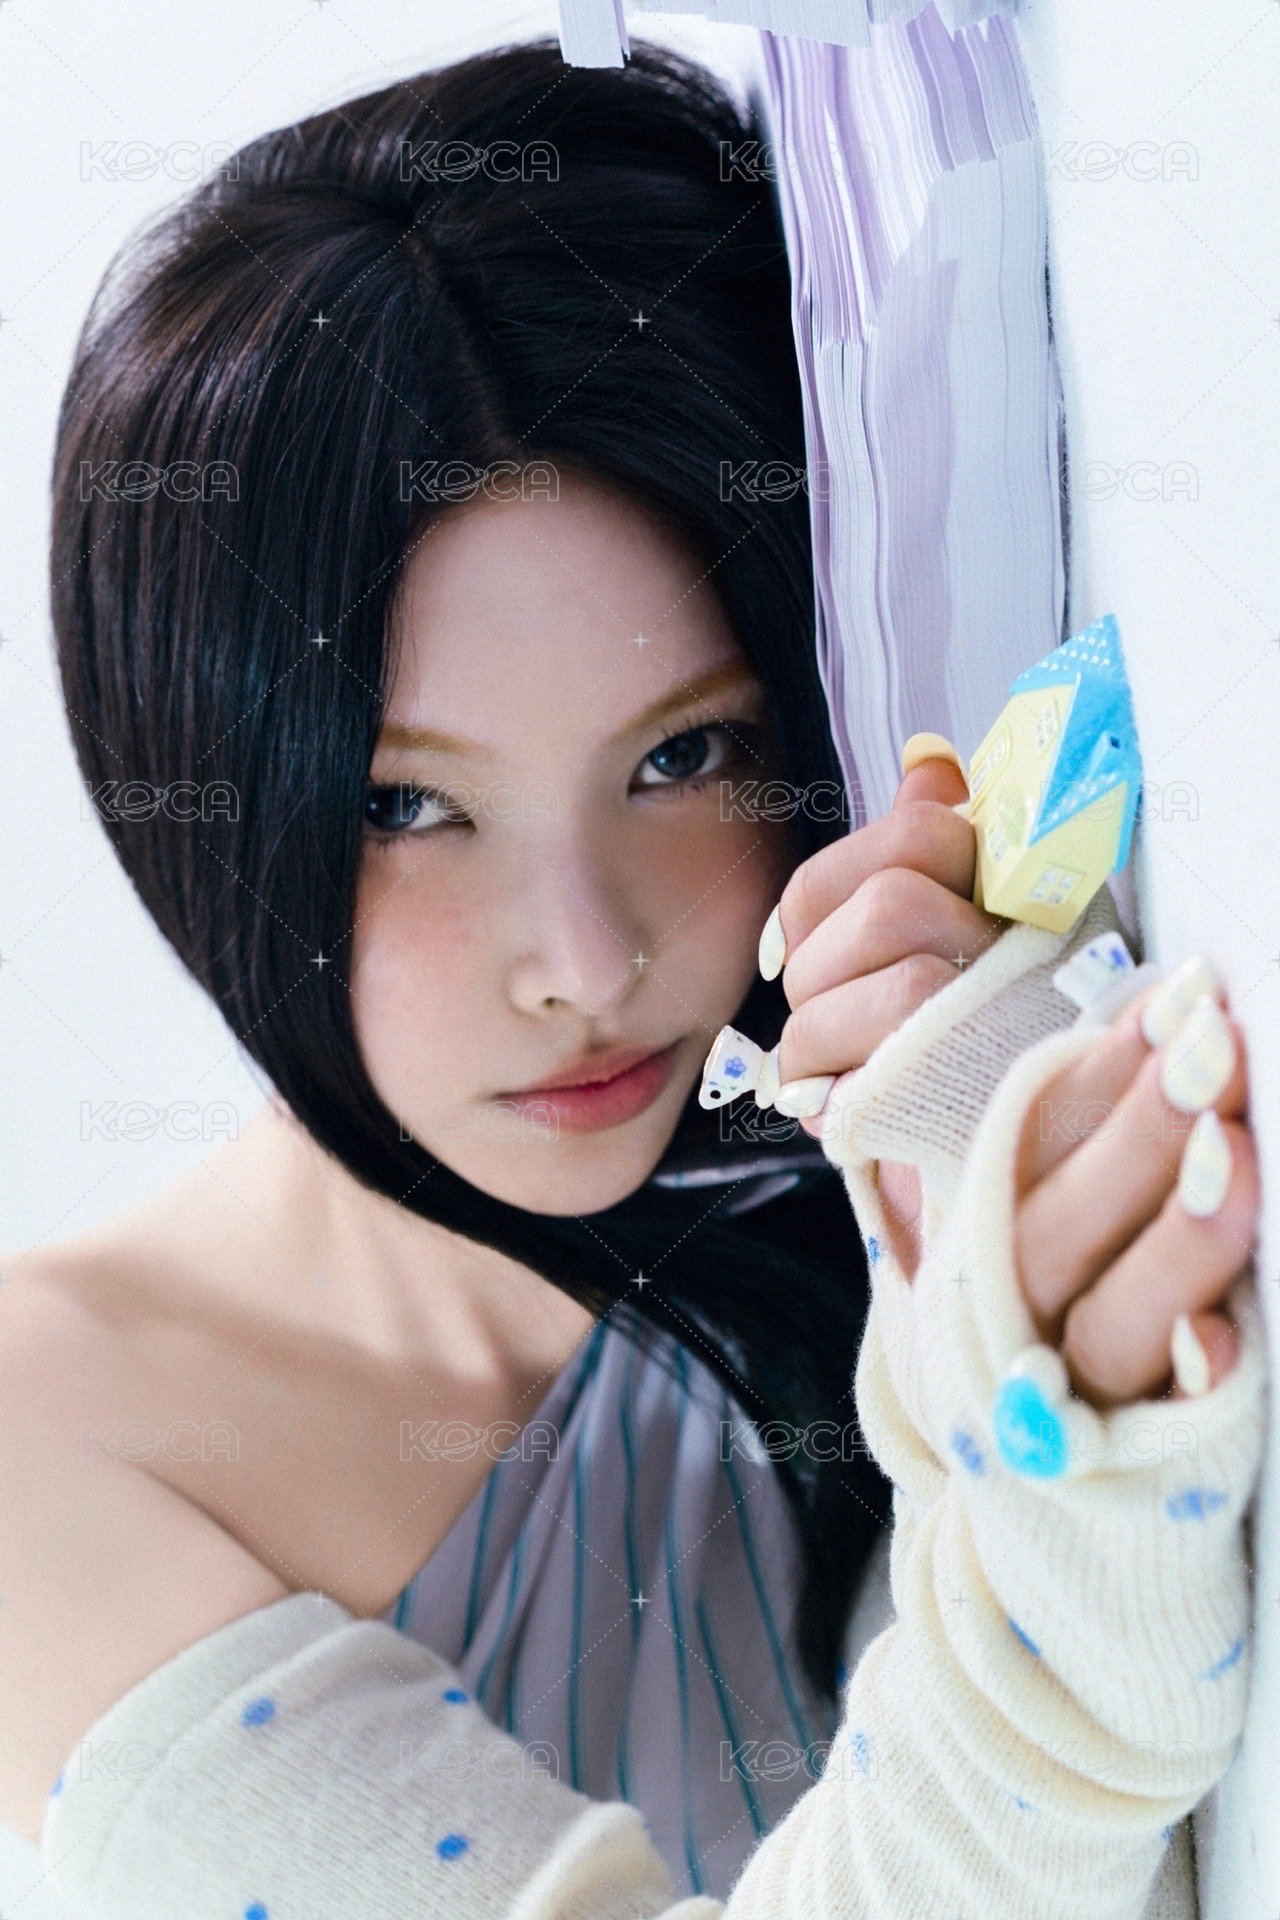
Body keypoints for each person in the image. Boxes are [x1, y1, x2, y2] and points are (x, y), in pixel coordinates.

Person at [0, 35, 1264, 1920]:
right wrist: (1057, 1519)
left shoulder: (820, 1163)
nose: (588, 961)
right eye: (409, 805)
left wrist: (959, 1148)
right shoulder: (43, 1450)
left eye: (681, 756)